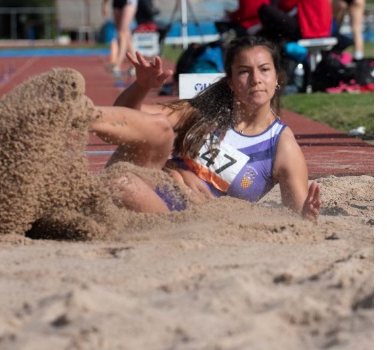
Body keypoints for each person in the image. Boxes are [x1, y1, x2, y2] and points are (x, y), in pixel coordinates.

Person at [98, 37, 320, 220]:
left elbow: (298, 217)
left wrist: (307, 215)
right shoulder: (204, 111)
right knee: (159, 129)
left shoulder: (282, 146)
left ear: (277, 78)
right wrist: (141, 87)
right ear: (231, 81)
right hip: (149, 180)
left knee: (121, 183)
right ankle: (81, 113)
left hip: (179, 217)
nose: (255, 79)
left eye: (264, 70)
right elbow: (124, 118)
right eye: (244, 71)